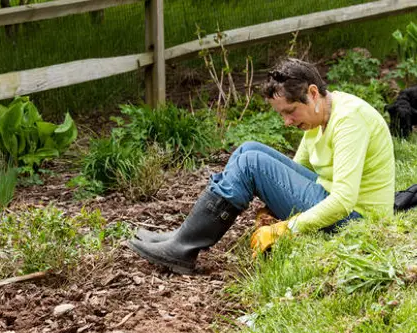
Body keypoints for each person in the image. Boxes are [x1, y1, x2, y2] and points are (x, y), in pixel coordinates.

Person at [127, 58, 395, 274]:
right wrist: (274, 199)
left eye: (290, 111)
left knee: (252, 162)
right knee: (249, 149)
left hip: (356, 220)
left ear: (312, 93)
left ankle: (184, 248)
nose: (287, 122)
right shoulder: (319, 116)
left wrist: (285, 228)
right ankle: (184, 236)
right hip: (332, 200)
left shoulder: (349, 120)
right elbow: (295, 169)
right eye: (282, 115)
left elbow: (344, 201)